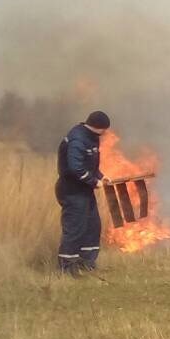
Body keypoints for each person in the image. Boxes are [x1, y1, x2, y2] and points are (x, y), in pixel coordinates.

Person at [55, 111, 112, 274]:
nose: (105, 133)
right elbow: (75, 168)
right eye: (104, 130)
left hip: (84, 191)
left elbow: (90, 165)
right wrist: (94, 182)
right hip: (72, 190)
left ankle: (86, 263)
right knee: (75, 228)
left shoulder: (92, 138)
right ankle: (67, 267)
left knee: (92, 226)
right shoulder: (78, 139)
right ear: (97, 127)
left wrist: (101, 176)